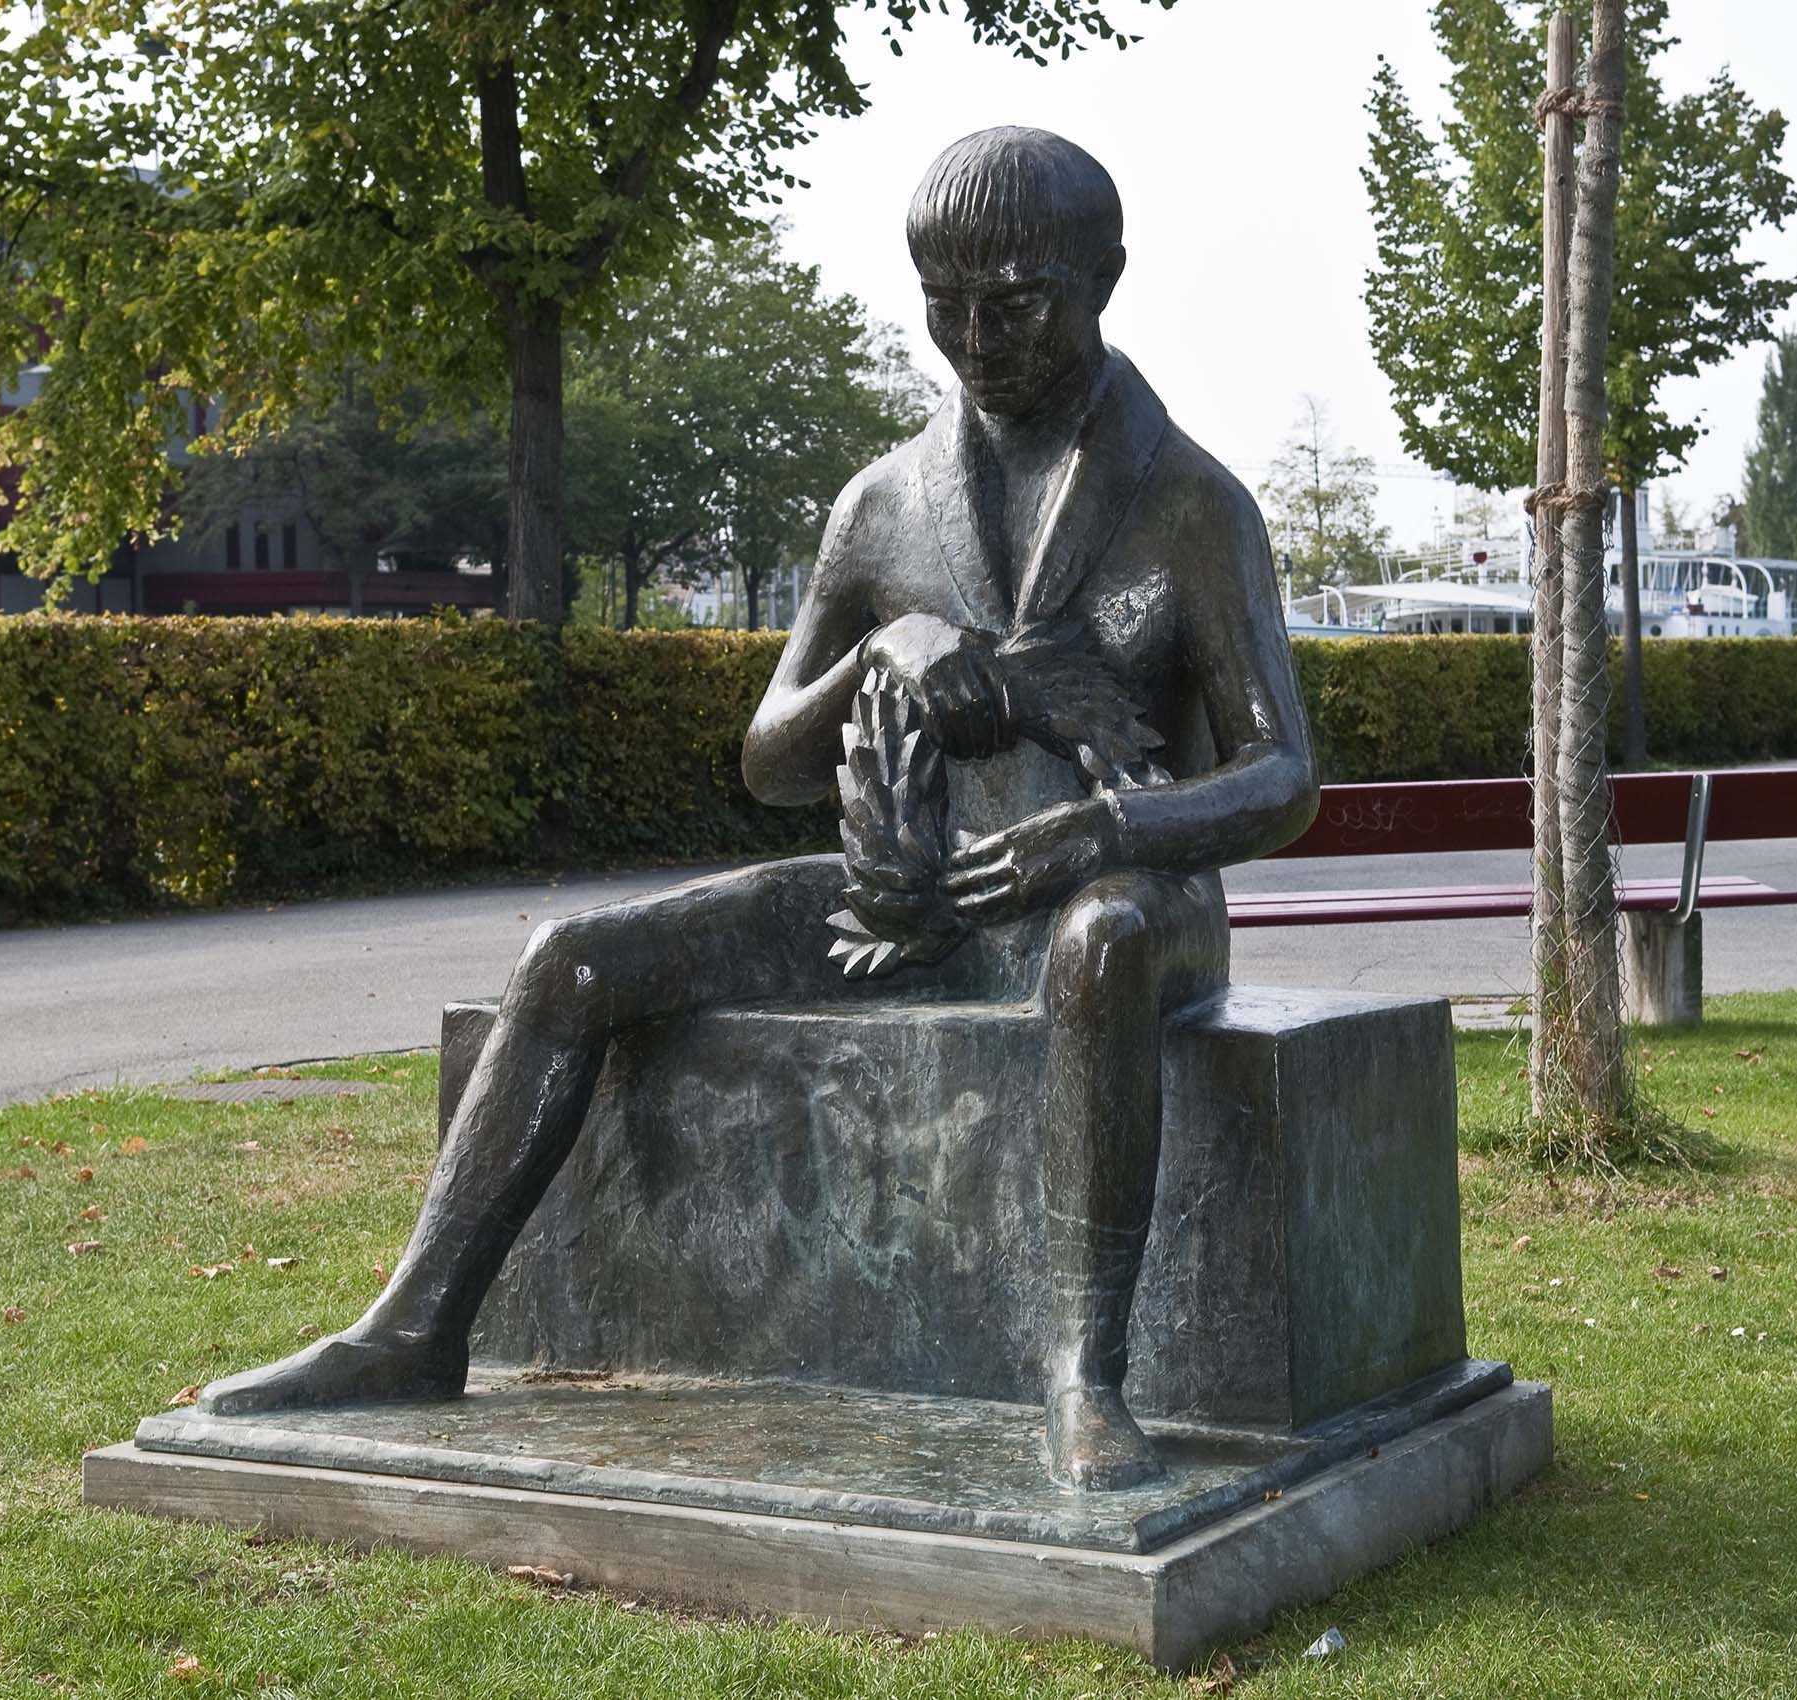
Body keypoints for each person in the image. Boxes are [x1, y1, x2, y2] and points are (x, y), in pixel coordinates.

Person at [198, 126, 1316, 1493]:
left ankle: (1084, 1377)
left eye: (1015, 301)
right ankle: (413, 1328)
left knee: (1102, 947)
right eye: (944, 306)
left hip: (1128, 899)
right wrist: (878, 655)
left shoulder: (1194, 506)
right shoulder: (884, 504)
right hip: (908, 897)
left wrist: (1108, 833)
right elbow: (771, 759)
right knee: (573, 960)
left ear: (1104, 279)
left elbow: (1280, 778)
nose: (977, 338)